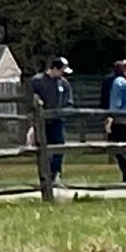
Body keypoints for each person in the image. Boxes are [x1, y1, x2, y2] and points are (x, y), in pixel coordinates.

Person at [31, 58, 72, 191]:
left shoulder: (64, 84)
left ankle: (56, 175)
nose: (62, 74)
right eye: (61, 70)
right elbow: (30, 99)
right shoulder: (37, 81)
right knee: (43, 150)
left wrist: (63, 112)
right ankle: (44, 178)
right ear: (54, 68)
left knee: (58, 148)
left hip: (57, 121)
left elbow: (69, 102)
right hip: (42, 122)